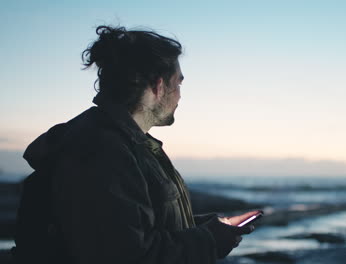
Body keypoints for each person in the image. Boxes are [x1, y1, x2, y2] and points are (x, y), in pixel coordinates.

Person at [13, 25, 258, 264]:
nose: (181, 94)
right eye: (179, 83)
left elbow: (134, 224)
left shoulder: (132, 144)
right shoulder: (102, 151)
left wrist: (204, 227)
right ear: (158, 86)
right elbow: (126, 255)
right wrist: (209, 240)